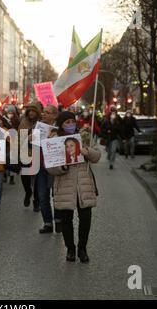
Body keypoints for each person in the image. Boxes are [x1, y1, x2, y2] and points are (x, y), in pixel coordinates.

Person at [47, 111, 101, 263]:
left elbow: (97, 156)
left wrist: (87, 151)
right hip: (64, 186)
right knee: (66, 219)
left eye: (72, 121)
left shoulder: (83, 137)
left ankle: (82, 249)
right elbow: (50, 168)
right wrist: (62, 167)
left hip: (83, 185)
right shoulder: (55, 141)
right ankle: (70, 248)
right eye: (66, 122)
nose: (70, 124)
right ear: (61, 124)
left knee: (85, 218)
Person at [35, 105, 58, 233]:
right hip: (41, 167)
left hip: (56, 167)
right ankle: (48, 223)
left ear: (54, 115)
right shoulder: (38, 128)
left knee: (57, 195)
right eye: (43, 112)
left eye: (47, 112)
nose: (43, 114)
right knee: (43, 196)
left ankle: (59, 219)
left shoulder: (59, 129)